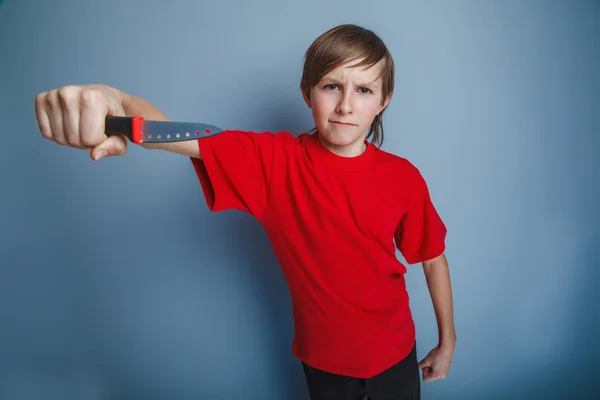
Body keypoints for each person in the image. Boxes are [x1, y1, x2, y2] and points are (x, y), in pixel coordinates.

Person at [34, 24, 456, 400]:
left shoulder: (403, 177)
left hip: (397, 351)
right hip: (325, 363)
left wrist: (447, 340)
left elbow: (433, 258)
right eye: (331, 86)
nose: (346, 105)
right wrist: (119, 105)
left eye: (364, 90)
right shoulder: (271, 160)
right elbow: (172, 133)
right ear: (306, 91)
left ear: (383, 100)